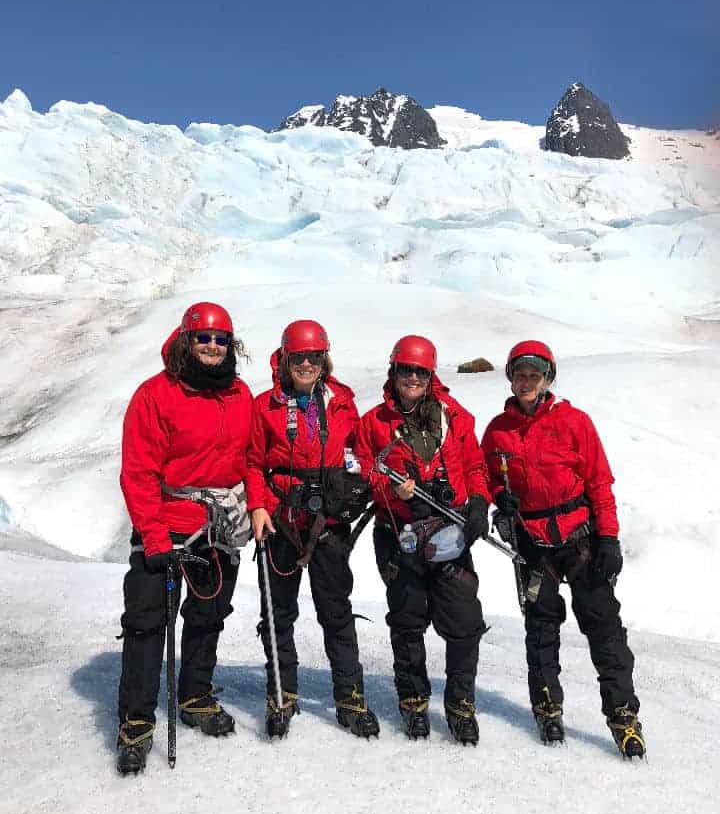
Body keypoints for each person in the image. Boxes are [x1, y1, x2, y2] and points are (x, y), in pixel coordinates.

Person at [481, 339, 645, 758]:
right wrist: (500, 505)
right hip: (533, 546)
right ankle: (547, 709)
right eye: (520, 374)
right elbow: (488, 480)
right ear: (510, 377)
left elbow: (599, 484)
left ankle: (623, 715)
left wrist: (608, 537)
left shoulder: (575, 422)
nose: (526, 382)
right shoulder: (498, 430)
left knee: (604, 629)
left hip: (580, 540)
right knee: (541, 630)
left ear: (548, 378)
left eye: (535, 375)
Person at [116, 302, 254, 775]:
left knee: (208, 614)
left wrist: (256, 508)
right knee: (148, 622)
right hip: (169, 521)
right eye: (204, 338)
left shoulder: (240, 396)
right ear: (185, 341)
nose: (212, 347)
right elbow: (138, 471)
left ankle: (195, 696)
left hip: (218, 524)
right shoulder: (156, 396)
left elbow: (251, 460)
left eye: (220, 340)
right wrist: (154, 538)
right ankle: (136, 722)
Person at [355, 335, 491, 745]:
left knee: (464, 625)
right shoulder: (375, 423)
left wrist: (480, 503)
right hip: (401, 536)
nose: (412, 377)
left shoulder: (456, 419)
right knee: (409, 623)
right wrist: (389, 490)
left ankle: (460, 705)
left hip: (450, 534)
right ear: (393, 372)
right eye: (405, 370)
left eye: (420, 371)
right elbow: (361, 469)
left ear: (431, 376)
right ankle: (413, 703)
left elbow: (476, 466)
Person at [247, 319, 379, 740]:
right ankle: (281, 695)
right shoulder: (264, 405)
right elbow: (253, 463)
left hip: (328, 524)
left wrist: (358, 485)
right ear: (285, 359)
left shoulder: (342, 402)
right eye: (299, 357)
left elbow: (359, 453)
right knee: (278, 614)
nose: (306, 364)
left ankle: (350, 698)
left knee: (336, 612)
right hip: (281, 521)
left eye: (314, 356)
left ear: (325, 359)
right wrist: (258, 506)